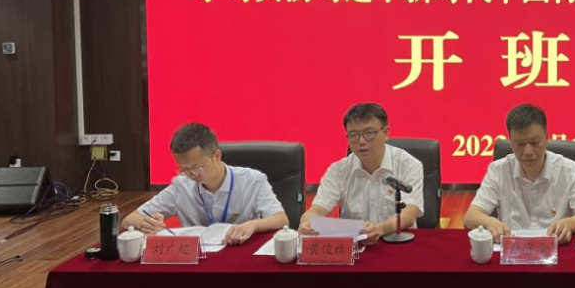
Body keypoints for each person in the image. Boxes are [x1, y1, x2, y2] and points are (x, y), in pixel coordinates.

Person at [121, 123, 288, 245]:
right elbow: (128, 220)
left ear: (217, 156)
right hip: (195, 259)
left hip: (239, 253)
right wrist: (143, 223)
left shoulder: (253, 181)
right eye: (184, 169)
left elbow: (281, 219)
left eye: (197, 167)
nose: (191, 175)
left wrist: (253, 225)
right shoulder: (181, 187)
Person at [463, 104, 575, 244]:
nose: (528, 152)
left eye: (535, 142)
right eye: (519, 144)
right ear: (510, 142)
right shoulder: (499, 170)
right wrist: (491, 223)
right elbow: (470, 217)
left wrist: (568, 224)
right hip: (512, 248)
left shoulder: (569, 170)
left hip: (556, 247)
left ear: (546, 137)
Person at [299, 103, 423, 244]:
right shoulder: (339, 170)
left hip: (397, 241)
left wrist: (380, 229)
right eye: (353, 135)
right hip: (356, 246)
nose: (361, 141)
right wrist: (307, 222)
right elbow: (317, 209)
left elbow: (409, 213)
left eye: (369, 133)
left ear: (386, 133)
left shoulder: (409, 165)